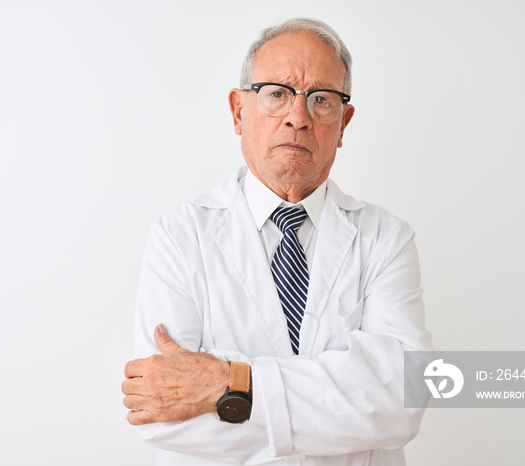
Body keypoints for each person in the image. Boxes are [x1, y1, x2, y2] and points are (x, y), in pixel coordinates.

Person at [122, 18, 433, 466]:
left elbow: (402, 399)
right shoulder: (179, 236)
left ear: (343, 123)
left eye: (322, 99)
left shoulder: (387, 239)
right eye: (277, 93)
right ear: (238, 111)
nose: (298, 117)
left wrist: (230, 383)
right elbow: (164, 415)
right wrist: (338, 417)